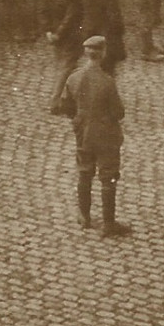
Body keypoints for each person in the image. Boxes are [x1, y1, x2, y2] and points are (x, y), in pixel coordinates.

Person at [59, 36, 132, 237]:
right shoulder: (107, 82)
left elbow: (65, 106)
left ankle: (84, 216)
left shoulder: (73, 78)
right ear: (103, 53)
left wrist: (79, 120)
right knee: (108, 177)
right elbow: (118, 112)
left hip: (83, 133)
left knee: (84, 172)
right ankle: (109, 224)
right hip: (106, 135)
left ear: (86, 54)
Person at [54, 0, 127, 87]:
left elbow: (77, 12)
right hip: (107, 37)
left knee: (93, 66)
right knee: (107, 71)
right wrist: (120, 32)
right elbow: (115, 19)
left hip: (89, 34)